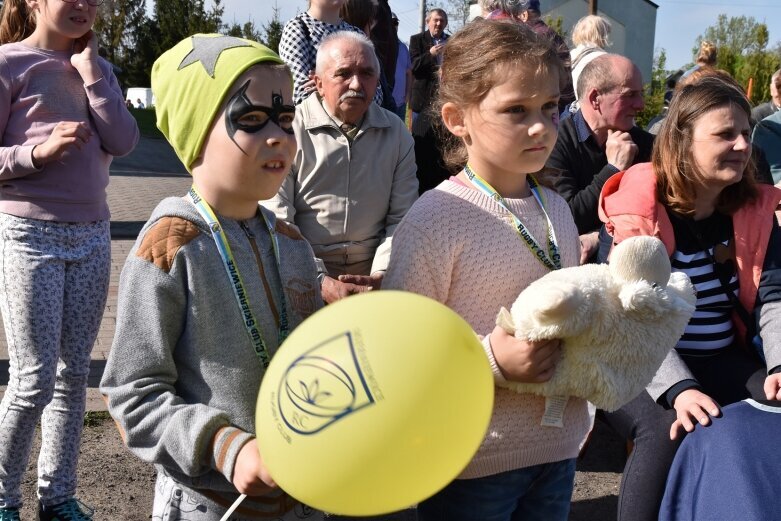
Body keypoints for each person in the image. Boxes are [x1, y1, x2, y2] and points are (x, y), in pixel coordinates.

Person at [100, 34, 324, 520]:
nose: (279, 136)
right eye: (250, 120)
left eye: (286, 120)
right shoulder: (169, 245)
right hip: (210, 502)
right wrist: (225, 445)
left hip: (302, 497)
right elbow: (131, 394)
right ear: (196, 135)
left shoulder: (293, 244)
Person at [384, 19, 591, 521]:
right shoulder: (436, 220)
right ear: (458, 119)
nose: (542, 126)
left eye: (551, 107)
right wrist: (491, 363)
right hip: (471, 462)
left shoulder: (557, 210)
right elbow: (401, 352)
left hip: (557, 451)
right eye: (516, 110)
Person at [597, 75, 781, 521]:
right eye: (724, 134)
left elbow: (774, 297)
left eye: (744, 133)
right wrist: (679, 388)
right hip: (636, 360)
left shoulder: (753, 211)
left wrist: (779, 364)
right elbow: (630, 316)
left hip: (719, 354)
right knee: (666, 428)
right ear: (682, 140)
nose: (742, 145)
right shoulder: (636, 212)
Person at [0, 0, 139, 518]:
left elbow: (124, 140)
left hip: (92, 233)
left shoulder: (97, 68)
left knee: (73, 375)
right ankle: (2, 499)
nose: (84, 5)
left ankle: (57, 497)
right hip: (29, 233)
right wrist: (37, 153)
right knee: (33, 376)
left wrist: (92, 73)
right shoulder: (10, 64)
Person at [262, 31, 417, 304]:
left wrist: (381, 274)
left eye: (367, 73)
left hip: (375, 274)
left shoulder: (396, 133)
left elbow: (402, 220)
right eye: (343, 73)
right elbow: (278, 220)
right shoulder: (288, 131)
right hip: (299, 272)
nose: (356, 84)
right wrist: (317, 279)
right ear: (318, 83)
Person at [546, 53, 654, 263]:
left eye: (641, 94)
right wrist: (613, 169)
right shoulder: (555, 142)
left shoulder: (646, 144)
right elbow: (566, 217)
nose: (641, 105)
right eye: (630, 95)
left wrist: (599, 236)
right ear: (595, 98)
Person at [278, 0, 369, 105]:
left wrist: (325, 85)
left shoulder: (357, 33)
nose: (355, 84)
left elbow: (377, 93)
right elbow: (300, 93)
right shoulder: (298, 28)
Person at [409, 8, 450, 193]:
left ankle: (437, 183)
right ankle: (418, 183)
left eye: (442, 21)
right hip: (423, 101)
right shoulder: (417, 40)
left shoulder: (451, 41)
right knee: (420, 145)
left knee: (440, 146)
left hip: (444, 103)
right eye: (435, 20)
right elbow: (414, 67)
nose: (438, 24)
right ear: (428, 21)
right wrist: (431, 54)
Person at [569, 14, 611, 101]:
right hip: (589, 107)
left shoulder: (569, 55)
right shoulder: (605, 59)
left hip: (567, 109)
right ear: (602, 35)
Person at [391, 12, 412, 120]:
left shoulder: (403, 48)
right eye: (390, 22)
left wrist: (407, 94)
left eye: (395, 23)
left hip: (400, 103)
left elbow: (409, 73)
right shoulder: (376, 46)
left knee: (398, 135)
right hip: (383, 102)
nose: (393, 25)